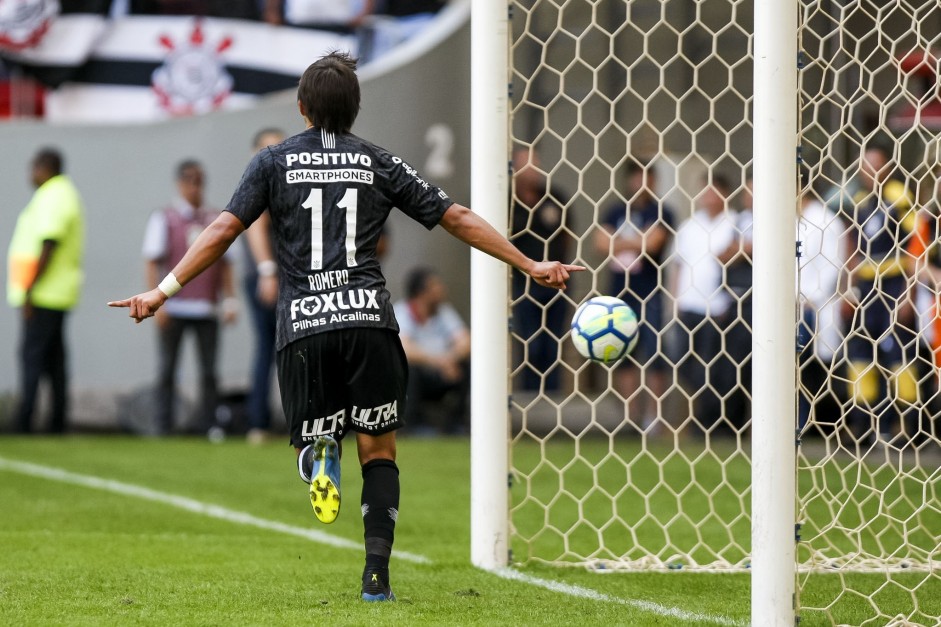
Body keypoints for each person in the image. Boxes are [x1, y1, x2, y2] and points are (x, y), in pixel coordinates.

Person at [109, 52, 582, 602]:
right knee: (380, 452)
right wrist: (528, 263)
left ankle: (317, 451)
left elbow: (222, 229)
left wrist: (161, 291)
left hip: (305, 327)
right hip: (369, 324)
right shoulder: (379, 162)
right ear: (356, 110)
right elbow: (456, 216)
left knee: (309, 438)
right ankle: (376, 577)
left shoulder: (272, 162)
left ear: (302, 108)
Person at [141, 159, 238, 435]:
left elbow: (227, 263)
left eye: (200, 181)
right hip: (175, 305)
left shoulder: (215, 218)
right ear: (180, 183)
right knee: (167, 369)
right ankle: (163, 424)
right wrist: (156, 304)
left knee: (209, 371)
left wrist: (230, 299)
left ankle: (209, 424)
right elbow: (151, 261)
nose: (196, 187)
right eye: (191, 181)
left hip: (206, 306)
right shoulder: (165, 218)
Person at [839, 144, 917, 447]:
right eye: (864, 166)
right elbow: (853, 250)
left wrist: (908, 295)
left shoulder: (900, 197)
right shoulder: (859, 201)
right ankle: (863, 425)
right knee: (860, 356)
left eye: (874, 165)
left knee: (898, 355)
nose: (868, 172)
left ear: (888, 167)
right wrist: (848, 288)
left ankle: (906, 426)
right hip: (866, 288)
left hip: (894, 284)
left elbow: (915, 246)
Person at [6, 148, 85, 434]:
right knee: (53, 361)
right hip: (52, 293)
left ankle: (25, 421)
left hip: (45, 294)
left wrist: (29, 289)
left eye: (34, 167)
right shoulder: (58, 194)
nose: (31, 174)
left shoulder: (55, 195)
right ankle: (56, 423)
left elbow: (48, 243)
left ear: (45, 167)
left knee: (33, 358)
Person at [593, 159, 675, 432]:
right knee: (622, 352)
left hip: (650, 293)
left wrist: (620, 242)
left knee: (654, 355)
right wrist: (637, 241)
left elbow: (654, 244)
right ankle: (629, 418)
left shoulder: (662, 211)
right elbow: (600, 243)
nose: (642, 184)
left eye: (647, 178)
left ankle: (654, 419)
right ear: (629, 180)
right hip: (619, 293)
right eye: (637, 178)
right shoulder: (615, 210)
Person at [671, 174, 739, 435]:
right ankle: (704, 413)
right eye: (704, 192)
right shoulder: (689, 225)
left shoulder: (735, 223)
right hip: (689, 306)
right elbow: (678, 265)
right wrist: (674, 300)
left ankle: (712, 422)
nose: (707, 197)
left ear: (724, 193)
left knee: (716, 367)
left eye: (712, 192)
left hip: (718, 308)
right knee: (683, 363)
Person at [510, 147, 574, 391]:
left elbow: (567, 236)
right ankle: (529, 400)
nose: (532, 170)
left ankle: (551, 402)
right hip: (522, 284)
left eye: (535, 163)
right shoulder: (506, 202)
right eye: (526, 163)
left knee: (553, 345)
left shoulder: (555, 197)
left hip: (556, 283)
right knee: (529, 344)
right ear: (514, 167)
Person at [241, 128, 286, 445]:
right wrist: (267, 271)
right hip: (271, 277)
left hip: (280, 276)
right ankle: (259, 421)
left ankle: (264, 421)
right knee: (271, 348)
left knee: (274, 349)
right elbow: (256, 228)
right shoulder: (262, 181)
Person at [796, 171, 848, 432]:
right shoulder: (788, 221)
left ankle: (816, 425)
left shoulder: (826, 220)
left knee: (815, 369)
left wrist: (809, 299)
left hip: (815, 307)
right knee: (795, 368)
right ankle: (799, 423)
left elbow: (832, 266)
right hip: (790, 308)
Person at [393, 266, 470, 435]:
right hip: (419, 375)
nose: (442, 289)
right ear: (421, 292)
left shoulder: (444, 312)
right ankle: (412, 425)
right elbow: (403, 348)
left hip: (445, 372)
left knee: (469, 367)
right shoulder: (401, 313)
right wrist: (439, 362)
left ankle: (457, 424)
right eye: (435, 286)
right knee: (408, 370)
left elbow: (465, 341)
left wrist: (451, 359)